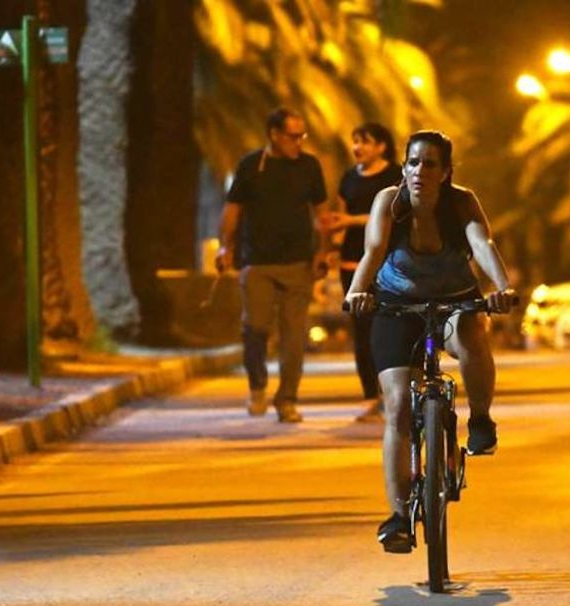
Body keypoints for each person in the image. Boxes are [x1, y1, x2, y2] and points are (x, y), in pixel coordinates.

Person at [343, 130, 518, 552]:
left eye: (431, 164)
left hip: (455, 301)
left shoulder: (462, 203)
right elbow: (373, 250)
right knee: (399, 405)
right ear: (403, 168)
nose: (421, 171)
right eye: (414, 163)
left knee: (473, 337)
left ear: (446, 172)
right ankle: (400, 515)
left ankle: (479, 420)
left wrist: (502, 287)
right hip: (396, 306)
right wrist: (355, 293)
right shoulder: (390, 202)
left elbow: (483, 243)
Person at [216, 107, 329, 423]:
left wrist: (323, 252)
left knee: (294, 337)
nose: (299, 142)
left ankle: (287, 400)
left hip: (298, 263)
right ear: (274, 135)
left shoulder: (309, 166)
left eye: (302, 135)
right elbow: (232, 210)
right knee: (256, 327)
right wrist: (226, 247)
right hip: (257, 262)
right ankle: (257, 386)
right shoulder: (251, 166)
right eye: (293, 136)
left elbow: (322, 215)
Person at [328, 123, 402, 422]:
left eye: (365, 142)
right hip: (351, 264)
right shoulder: (348, 178)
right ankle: (371, 397)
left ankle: (393, 391)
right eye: (355, 141)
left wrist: (350, 220)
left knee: (389, 328)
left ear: (382, 146)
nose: (357, 147)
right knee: (361, 331)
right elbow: (339, 218)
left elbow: (393, 215)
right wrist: (329, 250)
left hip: (387, 263)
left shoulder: (396, 175)